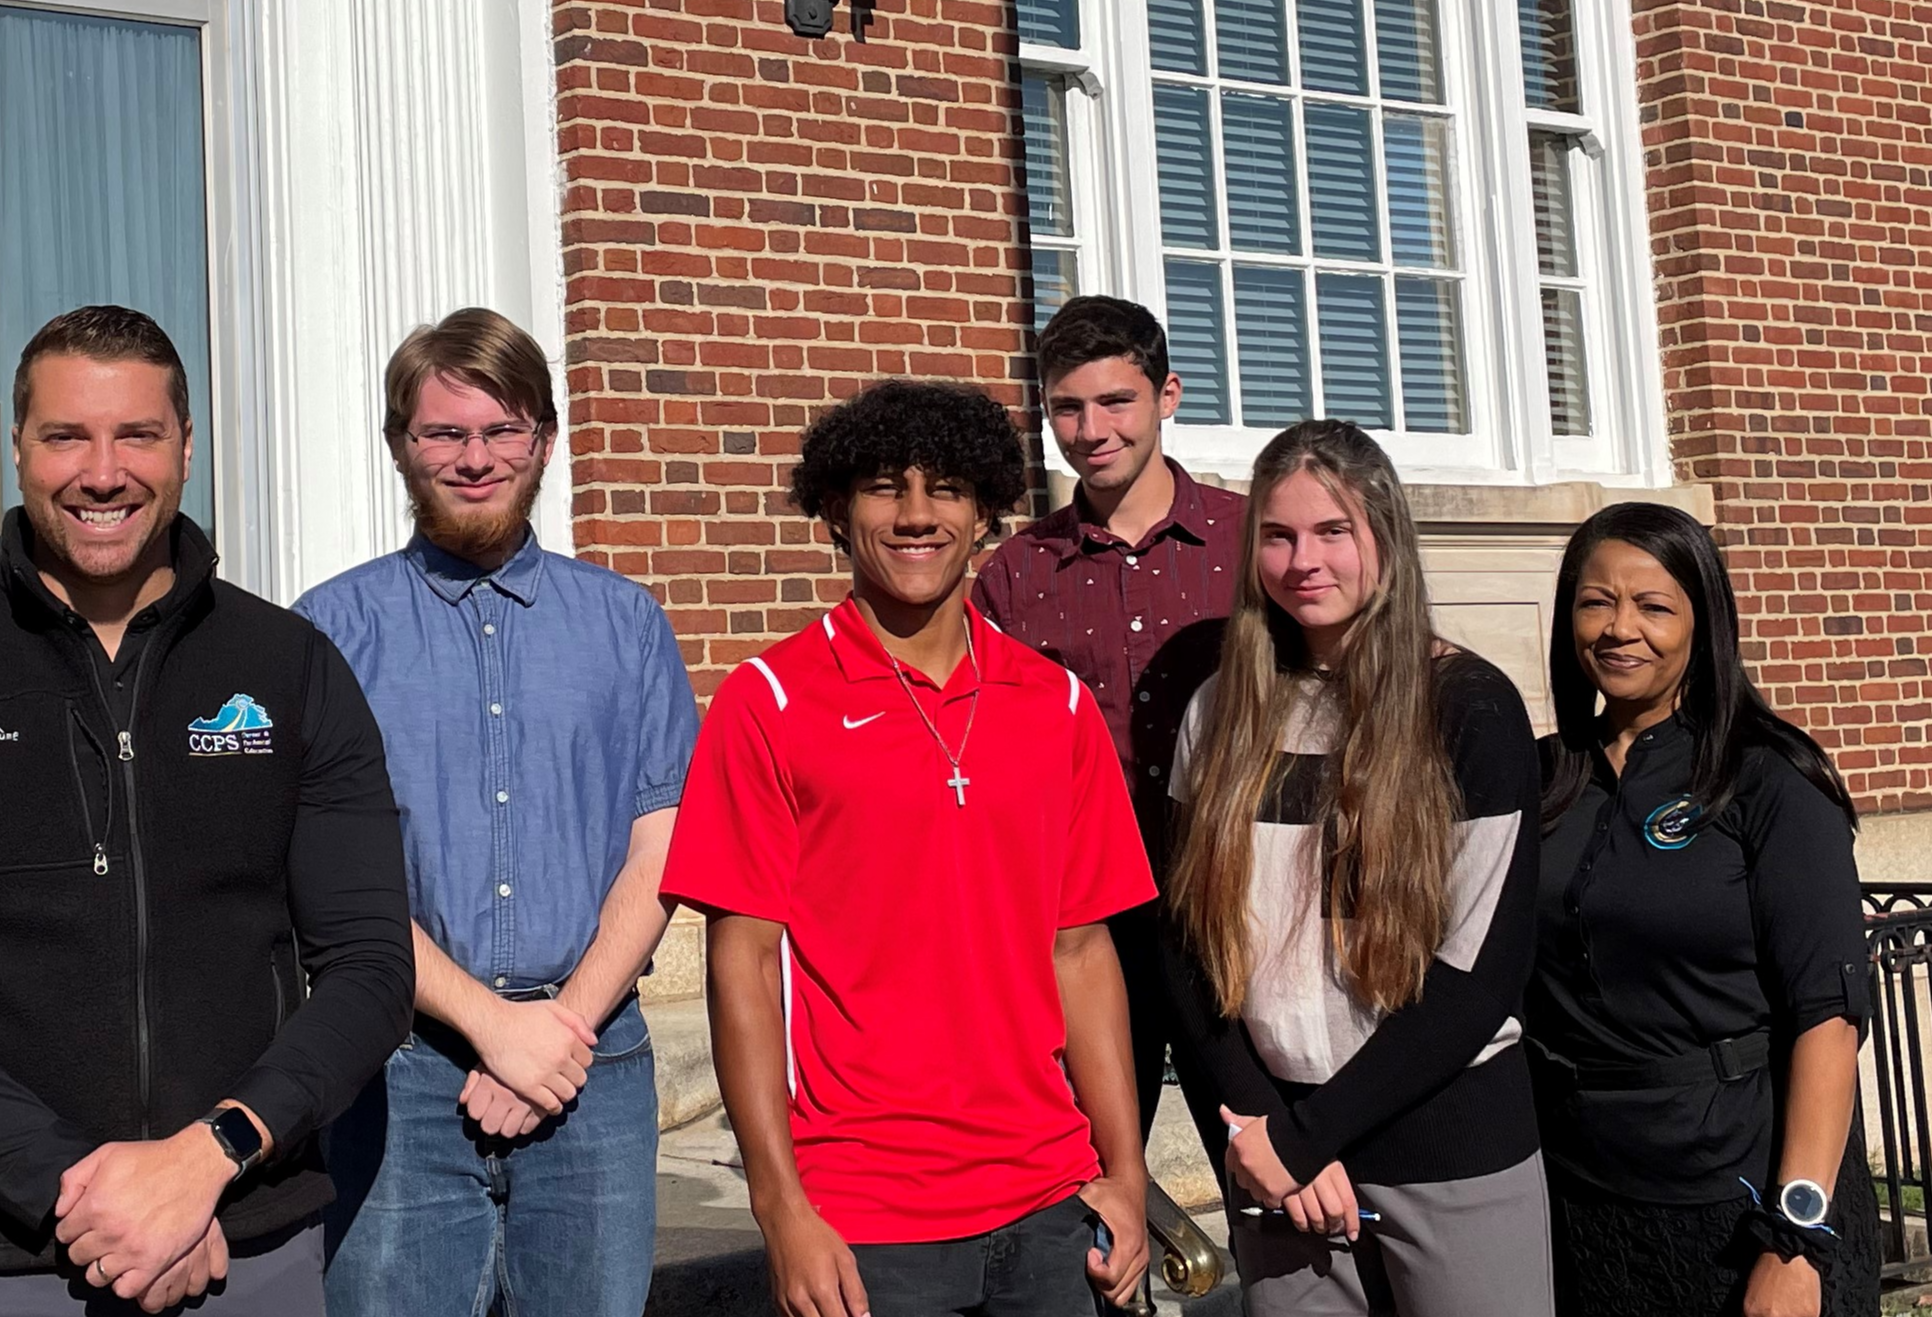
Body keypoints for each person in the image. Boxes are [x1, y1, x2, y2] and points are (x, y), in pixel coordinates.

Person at [0, 305, 415, 1316]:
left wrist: (216, 1150)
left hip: (246, 1241)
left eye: (138, 434)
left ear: (187, 448)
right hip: (0, 1256)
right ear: (19, 451)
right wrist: (88, 1189)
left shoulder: (288, 667)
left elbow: (373, 966)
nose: (103, 470)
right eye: (66, 434)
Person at [663, 379, 1157, 1317]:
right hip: (863, 1216)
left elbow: (1082, 952)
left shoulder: (1052, 705)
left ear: (985, 517)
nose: (918, 515)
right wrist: (781, 1209)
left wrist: (1125, 1174)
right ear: (835, 518)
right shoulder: (766, 701)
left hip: (1051, 1196)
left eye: (947, 491)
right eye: (885, 488)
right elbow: (742, 965)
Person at [295, 307, 700, 1317]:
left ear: (545, 442)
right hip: (396, 1071)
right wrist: (490, 1028)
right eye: (444, 432)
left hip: (595, 1063)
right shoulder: (325, 632)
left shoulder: (626, 622)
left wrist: (555, 1032)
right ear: (400, 445)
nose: (475, 458)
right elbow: (321, 869)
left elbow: (665, 843)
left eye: (501, 430)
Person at [1164, 419, 1548, 1317]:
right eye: (1278, 534)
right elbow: (1183, 945)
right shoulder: (1218, 711)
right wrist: (1266, 1131)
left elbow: (1478, 975)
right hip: (1275, 1153)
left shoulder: (1470, 707)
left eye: (1332, 531)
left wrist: (1308, 1137)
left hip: (1448, 1144)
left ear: (1383, 535)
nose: (1304, 560)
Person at [1526, 502, 1880, 1317]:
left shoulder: (1767, 779)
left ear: (1701, 623)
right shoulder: (1542, 780)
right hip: (1581, 1198)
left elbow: (1826, 1015)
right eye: (1594, 601)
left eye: (1653, 606)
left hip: (1737, 1199)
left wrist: (1796, 1237)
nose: (1619, 629)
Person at [974, 295, 1246, 1184]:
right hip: (1084, 914)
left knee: (1264, 1158)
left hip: (1232, 899)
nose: (1091, 430)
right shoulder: (1016, 574)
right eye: (1066, 407)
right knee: (1090, 1171)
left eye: (1115, 402)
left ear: (1166, 395)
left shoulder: (1249, 544)